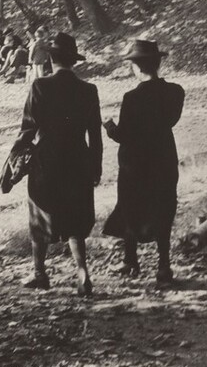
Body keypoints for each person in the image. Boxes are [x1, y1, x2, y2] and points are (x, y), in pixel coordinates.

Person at [11, 32, 102, 294]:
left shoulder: (40, 86)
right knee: (75, 217)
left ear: (50, 58)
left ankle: (39, 273)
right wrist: (96, 167)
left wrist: (15, 157)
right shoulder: (89, 90)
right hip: (78, 159)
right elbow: (94, 134)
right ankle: (82, 272)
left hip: (47, 160)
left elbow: (28, 128)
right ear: (74, 61)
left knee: (39, 215)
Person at [102, 39, 185, 285]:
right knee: (164, 207)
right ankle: (163, 267)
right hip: (164, 158)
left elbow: (124, 135)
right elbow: (169, 121)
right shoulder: (176, 92)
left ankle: (131, 262)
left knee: (130, 207)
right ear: (158, 63)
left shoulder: (132, 97)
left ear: (136, 68)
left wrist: (109, 127)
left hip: (135, 163)